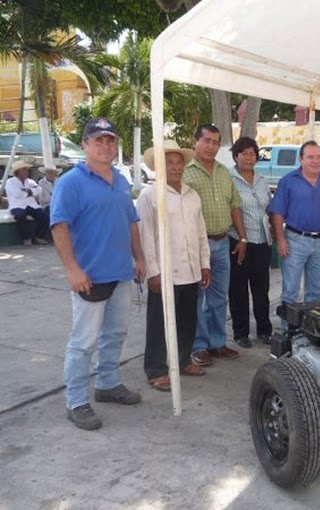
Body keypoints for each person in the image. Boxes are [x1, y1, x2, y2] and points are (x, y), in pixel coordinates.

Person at [50, 117, 145, 430]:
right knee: (83, 342)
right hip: (89, 275)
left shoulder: (120, 179)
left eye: (110, 140)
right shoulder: (71, 182)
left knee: (115, 334)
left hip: (120, 275)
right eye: (98, 140)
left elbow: (131, 222)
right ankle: (76, 401)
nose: (105, 146)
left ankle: (107, 383)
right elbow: (59, 225)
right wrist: (72, 269)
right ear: (86, 144)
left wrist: (139, 258)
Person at [137, 140, 212, 392]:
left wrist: (204, 264)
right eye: (169, 162)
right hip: (165, 272)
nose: (175, 167)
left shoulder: (192, 195)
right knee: (159, 322)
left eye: (179, 162)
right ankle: (156, 369)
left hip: (190, 269)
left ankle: (182, 361)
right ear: (159, 165)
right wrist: (153, 272)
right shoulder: (149, 195)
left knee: (187, 320)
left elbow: (200, 232)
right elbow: (145, 235)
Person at [183, 124, 248, 366]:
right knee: (199, 298)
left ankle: (217, 343)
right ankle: (199, 346)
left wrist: (242, 238)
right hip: (198, 245)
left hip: (223, 243)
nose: (211, 146)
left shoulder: (224, 172)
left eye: (215, 142)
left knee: (219, 297)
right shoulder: (185, 173)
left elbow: (235, 206)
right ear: (195, 141)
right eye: (206, 141)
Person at [267, 141, 320, 318]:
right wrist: (280, 240)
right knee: (291, 291)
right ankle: (289, 333)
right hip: (294, 241)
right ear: (301, 159)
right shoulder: (288, 181)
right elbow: (278, 213)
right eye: (310, 157)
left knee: (316, 293)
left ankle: (311, 333)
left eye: (319, 157)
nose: (315, 161)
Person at [228, 137, 273, 348]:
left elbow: (269, 208)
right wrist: (241, 237)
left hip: (262, 241)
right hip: (238, 242)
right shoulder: (228, 178)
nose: (248, 157)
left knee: (261, 289)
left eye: (252, 153)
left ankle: (264, 330)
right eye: (244, 153)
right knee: (238, 290)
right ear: (236, 156)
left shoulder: (262, 180)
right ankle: (241, 333)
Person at [5, 160, 50, 245]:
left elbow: (39, 190)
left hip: (31, 204)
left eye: (27, 169)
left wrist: (29, 191)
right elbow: (17, 194)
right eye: (24, 169)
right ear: (17, 171)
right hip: (17, 205)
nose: (27, 171)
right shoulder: (10, 182)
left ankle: (39, 236)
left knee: (45, 216)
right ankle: (27, 238)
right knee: (20, 216)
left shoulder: (30, 181)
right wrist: (31, 192)